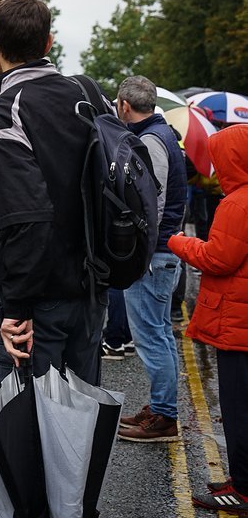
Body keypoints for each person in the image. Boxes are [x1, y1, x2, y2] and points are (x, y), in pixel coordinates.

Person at [0, 0, 106, 385]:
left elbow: (29, 220)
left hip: (38, 299)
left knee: (25, 427)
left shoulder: (2, 113)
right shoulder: (90, 94)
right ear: (49, 43)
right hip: (91, 289)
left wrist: (16, 307)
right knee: (80, 418)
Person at [167, 125, 248, 514]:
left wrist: (177, 240)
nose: (214, 168)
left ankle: (243, 489)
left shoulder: (237, 204)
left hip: (239, 324)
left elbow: (218, 258)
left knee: (237, 408)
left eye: (219, 159)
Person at [113, 75, 188, 442]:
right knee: (159, 334)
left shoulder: (150, 140)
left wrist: (138, 252)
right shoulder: (161, 134)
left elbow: (150, 201)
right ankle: (161, 407)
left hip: (154, 254)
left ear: (125, 105)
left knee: (151, 337)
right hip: (162, 252)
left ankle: (165, 417)